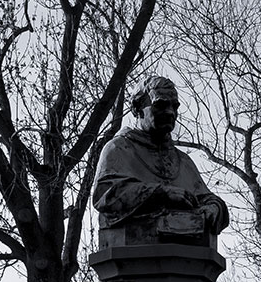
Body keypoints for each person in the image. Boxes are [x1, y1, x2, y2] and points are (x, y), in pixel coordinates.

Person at [92, 75, 228, 236]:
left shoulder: (183, 161)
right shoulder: (119, 149)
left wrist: (215, 208)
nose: (170, 112)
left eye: (174, 106)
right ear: (137, 109)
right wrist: (163, 194)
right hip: (136, 253)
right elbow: (105, 195)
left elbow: (206, 198)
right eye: (160, 105)